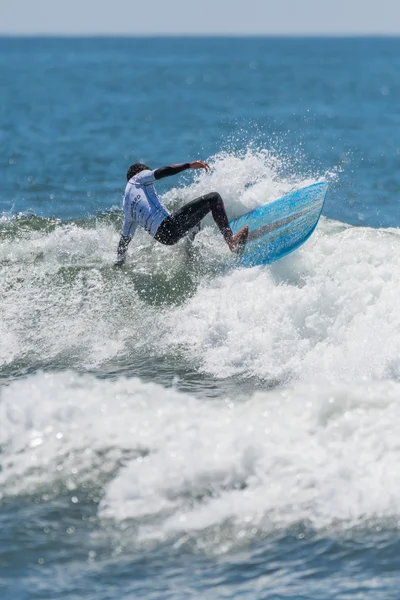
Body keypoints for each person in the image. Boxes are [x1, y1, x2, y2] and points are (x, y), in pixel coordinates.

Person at [115, 160, 248, 266]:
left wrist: (119, 264)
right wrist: (189, 165)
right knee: (214, 198)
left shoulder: (127, 206)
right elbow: (162, 172)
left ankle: (191, 254)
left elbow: (124, 241)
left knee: (196, 217)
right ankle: (231, 241)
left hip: (164, 238)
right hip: (168, 225)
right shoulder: (137, 178)